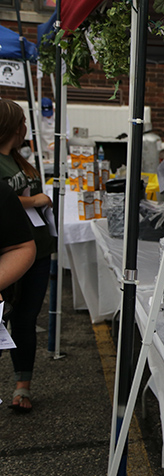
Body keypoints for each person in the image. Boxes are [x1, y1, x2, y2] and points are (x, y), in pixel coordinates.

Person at [0, 99, 56, 414]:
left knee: (26, 318)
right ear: (10, 126)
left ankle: (23, 386)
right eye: (22, 122)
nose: (26, 127)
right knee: (10, 316)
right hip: (8, 252)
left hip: (37, 249)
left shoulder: (21, 160)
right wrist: (33, 200)